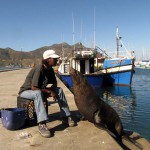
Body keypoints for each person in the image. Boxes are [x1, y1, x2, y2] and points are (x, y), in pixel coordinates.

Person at [18, 50, 75, 138]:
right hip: (26, 91)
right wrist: (49, 91)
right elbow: (34, 87)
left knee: (59, 90)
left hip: (39, 90)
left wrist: (53, 90)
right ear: (48, 59)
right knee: (37, 93)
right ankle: (42, 124)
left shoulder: (50, 69)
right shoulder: (39, 68)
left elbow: (55, 83)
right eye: (55, 59)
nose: (57, 60)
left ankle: (66, 116)